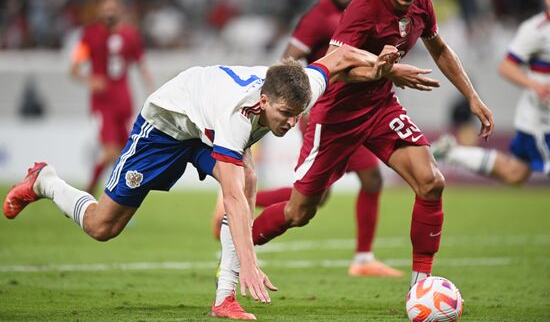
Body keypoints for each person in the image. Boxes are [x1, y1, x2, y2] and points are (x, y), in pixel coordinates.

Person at [4, 44, 433, 320]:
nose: (290, 124)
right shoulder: (236, 118)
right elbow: (230, 197)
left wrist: (382, 68)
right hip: (167, 126)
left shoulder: (298, 87)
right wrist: (249, 258)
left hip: (202, 126)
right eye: (284, 116)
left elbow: (337, 58)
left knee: (248, 178)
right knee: (103, 227)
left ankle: (223, 299)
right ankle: (46, 180)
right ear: (263, 103)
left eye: (297, 116)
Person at [218, 0, 494, 299]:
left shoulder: (422, 4)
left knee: (431, 182)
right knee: (300, 212)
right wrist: (381, 70)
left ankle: (420, 288)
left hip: (380, 107)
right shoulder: (363, 9)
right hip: (335, 115)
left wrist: (472, 96)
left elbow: (439, 48)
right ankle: (233, 250)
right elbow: (336, 67)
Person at [212, 0, 402, 278]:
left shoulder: (356, 12)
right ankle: (362, 258)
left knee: (318, 195)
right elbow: (286, 63)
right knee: (366, 180)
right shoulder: (317, 18)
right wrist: (303, 100)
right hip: (326, 113)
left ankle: (237, 205)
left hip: (351, 111)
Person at [433, 0, 550, 184]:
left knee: (514, 174)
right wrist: (536, 85)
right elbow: (506, 66)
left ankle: (452, 153)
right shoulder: (536, 30)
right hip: (541, 120)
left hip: (537, 118)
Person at [70, 0, 155, 195]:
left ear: (120, 10)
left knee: (124, 155)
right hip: (102, 104)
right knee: (110, 152)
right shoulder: (90, 35)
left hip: (124, 102)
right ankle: (90, 192)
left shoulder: (130, 35)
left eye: (113, 7)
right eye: (106, 7)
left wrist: (153, 93)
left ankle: (112, 204)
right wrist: (90, 80)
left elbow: (142, 67)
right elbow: (74, 68)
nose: (109, 11)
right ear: (100, 10)